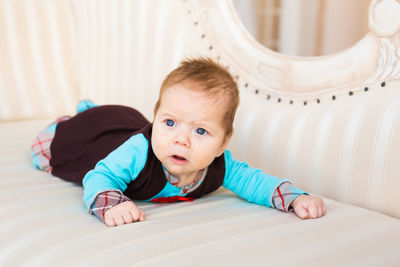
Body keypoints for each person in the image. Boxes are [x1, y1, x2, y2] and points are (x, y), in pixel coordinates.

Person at [31, 57, 326, 227]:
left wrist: (295, 198)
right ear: (156, 118)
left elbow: (256, 183)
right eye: (169, 123)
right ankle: (78, 116)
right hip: (99, 138)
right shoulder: (139, 150)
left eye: (200, 131)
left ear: (223, 142)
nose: (181, 140)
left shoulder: (221, 166)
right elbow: (100, 175)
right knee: (47, 150)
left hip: (124, 123)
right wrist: (111, 203)